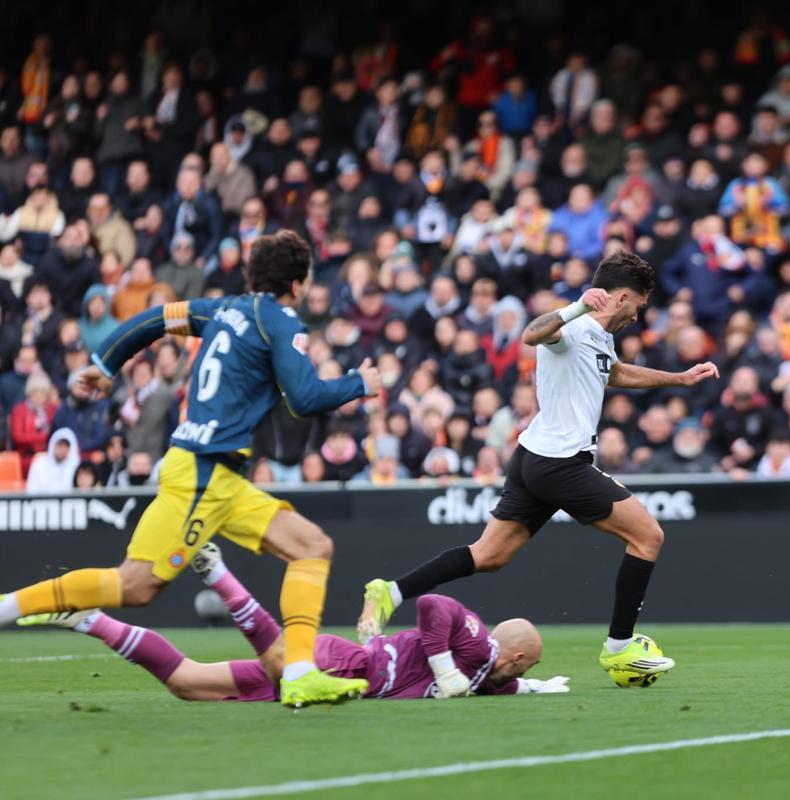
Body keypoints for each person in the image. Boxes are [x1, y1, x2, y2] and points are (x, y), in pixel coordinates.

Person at [0, 231, 383, 709]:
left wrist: (105, 363)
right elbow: (304, 399)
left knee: (311, 546)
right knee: (135, 586)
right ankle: (9, 607)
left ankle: (301, 672)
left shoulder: (220, 310)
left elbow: (153, 320)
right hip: (206, 475)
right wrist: (357, 382)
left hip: (213, 474)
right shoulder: (281, 322)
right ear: (299, 282)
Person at [359, 251, 720, 683]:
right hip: (560, 463)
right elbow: (532, 334)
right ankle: (620, 649)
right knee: (648, 536)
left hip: (533, 458)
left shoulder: (600, 338)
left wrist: (678, 378)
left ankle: (390, 591)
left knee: (487, 555)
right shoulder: (573, 327)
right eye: (638, 307)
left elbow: (615, 373)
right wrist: (578, 306)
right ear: (622, 298)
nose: (638, 318)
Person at [19, 544, 567, 702]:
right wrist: (445, 668)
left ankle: (89, 620)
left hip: (348, 676)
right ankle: (220, 574)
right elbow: (434, 608)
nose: (523, 672)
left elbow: (511, 685)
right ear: (513, 654)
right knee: (282, 658)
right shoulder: (478, 646)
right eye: (530, 664)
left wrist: (542, 685)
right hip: (347, 663)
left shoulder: (498, 677)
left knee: (188, 685)